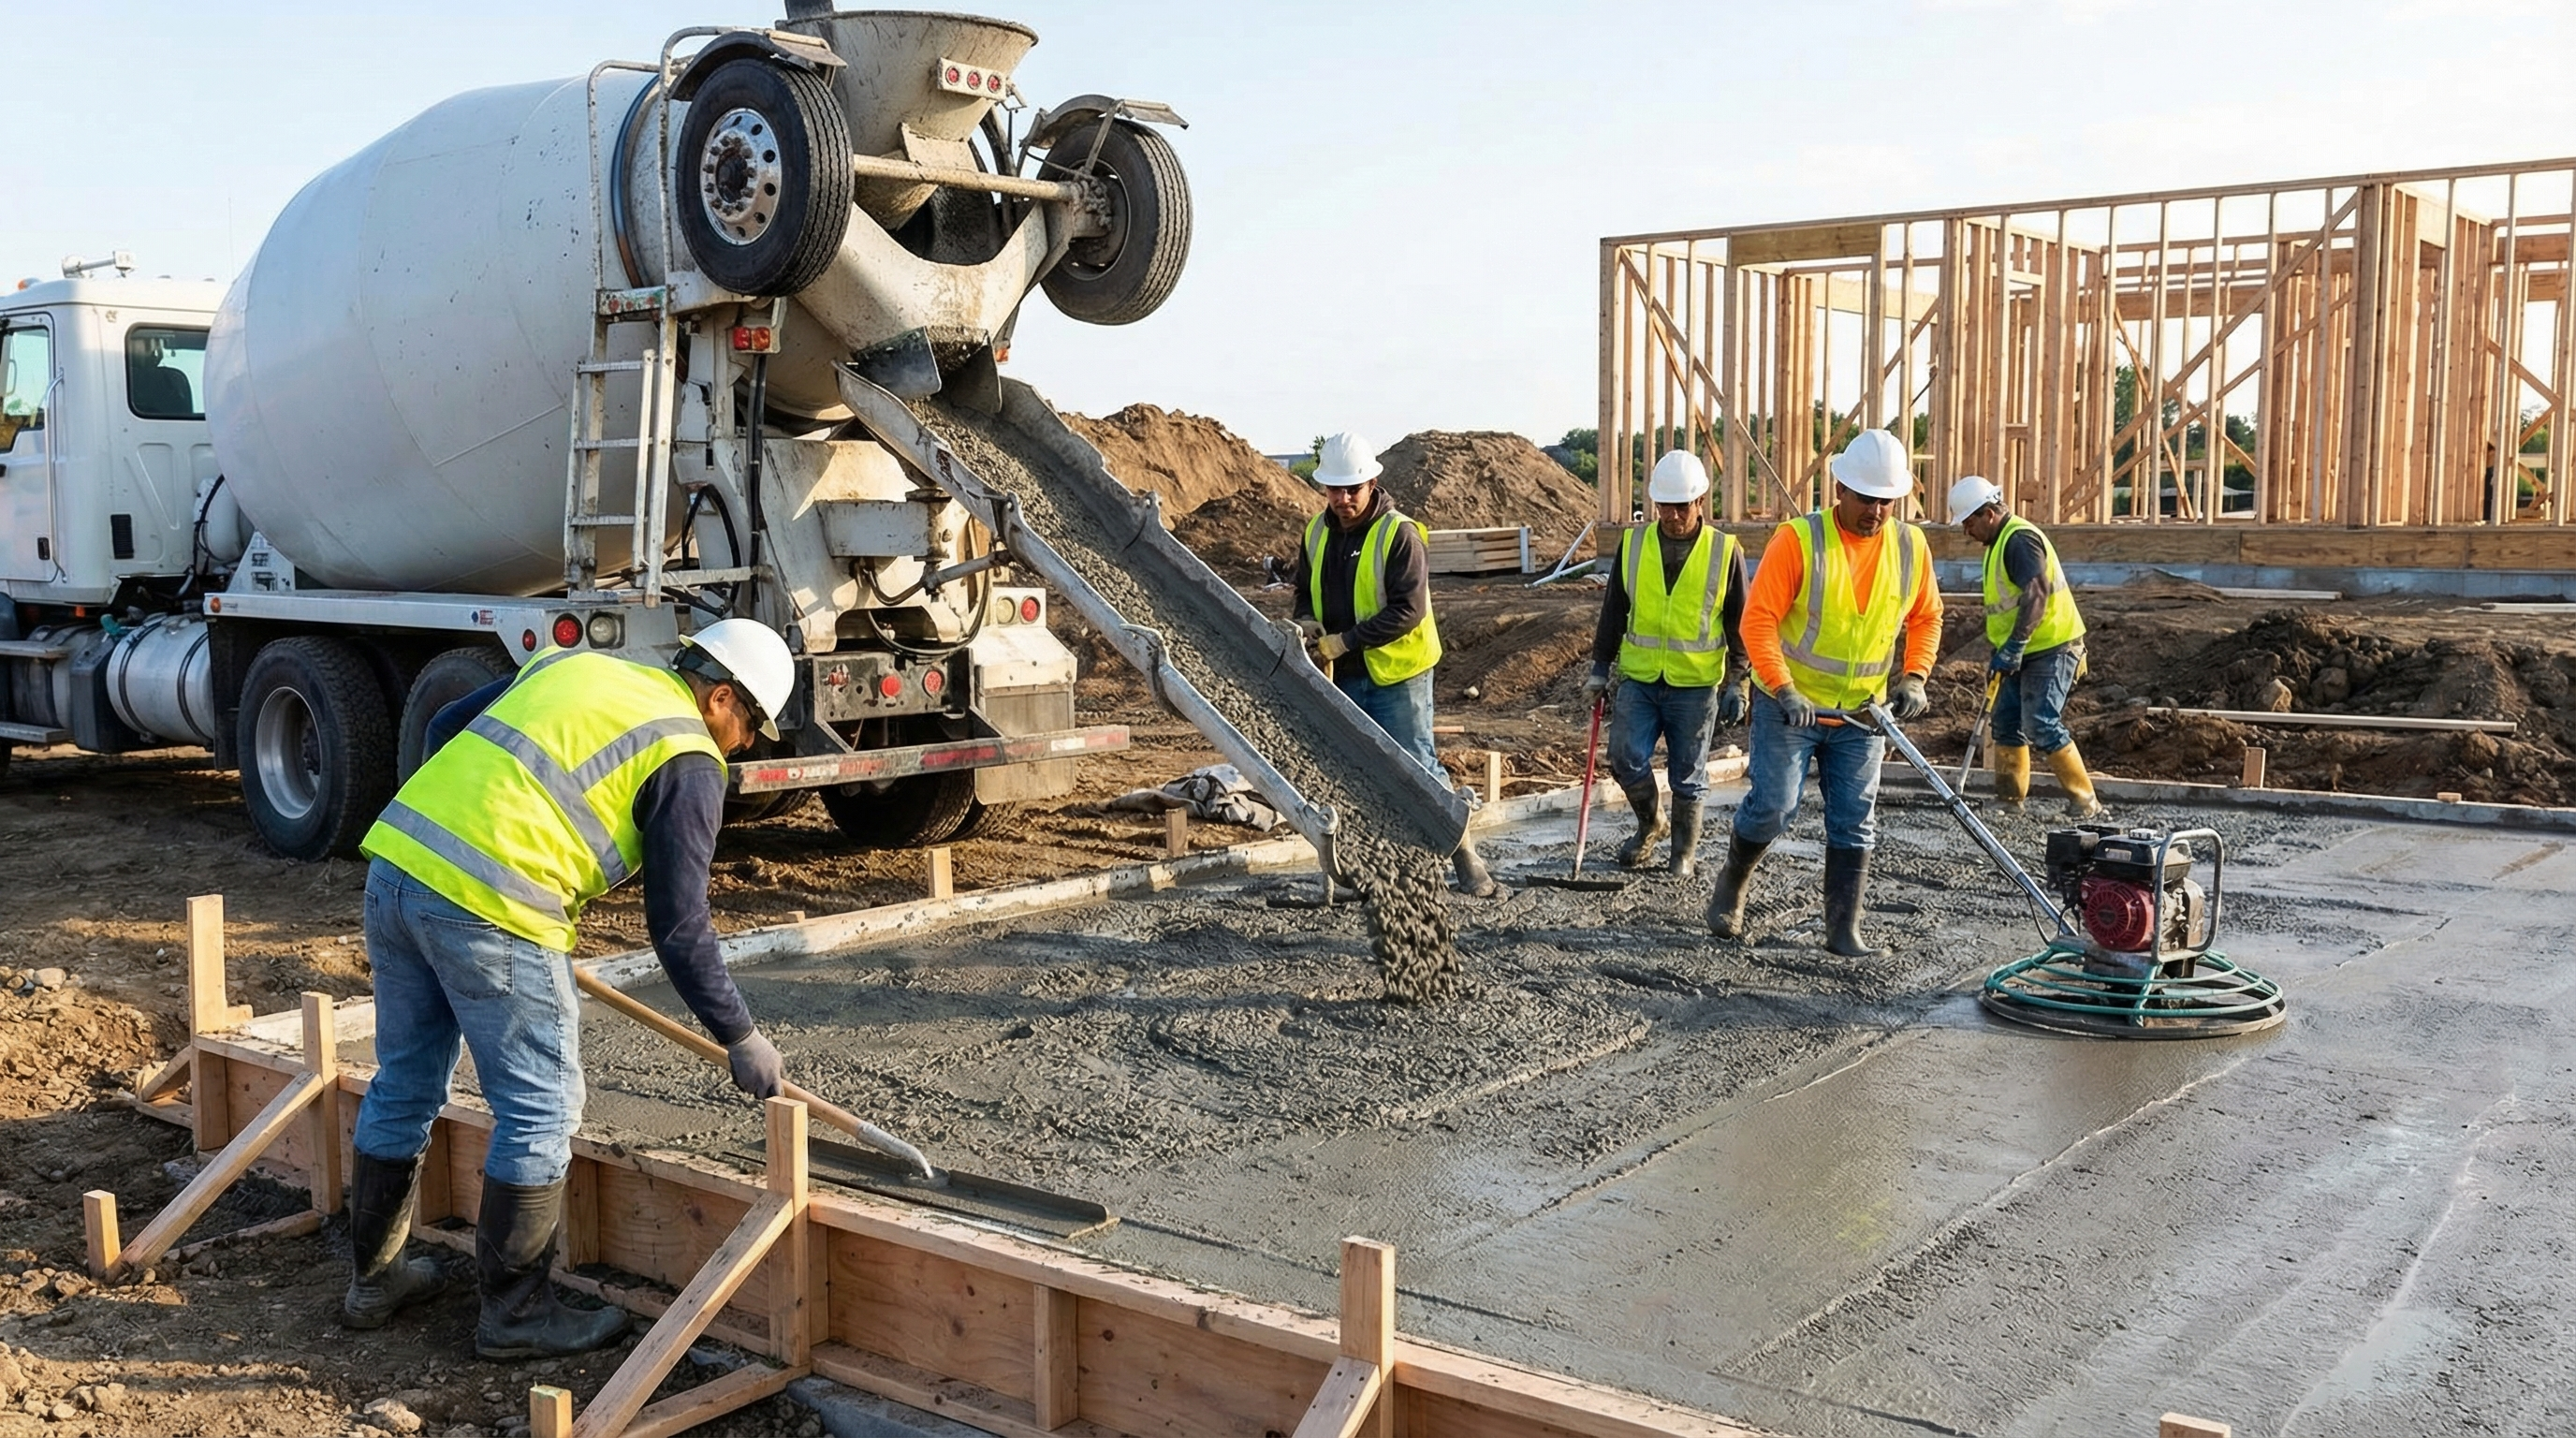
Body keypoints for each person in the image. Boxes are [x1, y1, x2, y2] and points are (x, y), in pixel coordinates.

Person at [340, 619, 798, 1359]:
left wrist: (460, 830)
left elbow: (447, 722)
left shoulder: (576, 667)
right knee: (541, 1108)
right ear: (720, 698)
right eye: (750, 727)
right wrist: (739, 1036)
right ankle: (516, 1316)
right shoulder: (688, 755)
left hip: (398, 868)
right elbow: (680, 926)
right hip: (495, 907)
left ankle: (373, 1283)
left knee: (405, 1082)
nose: (743, 746)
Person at [1707, 429, 1941, 957]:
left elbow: (1926, 617)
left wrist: (1915, 675)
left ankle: (1842, 931)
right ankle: (1733, 881)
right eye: (1866, 498)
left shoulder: (1910, 546)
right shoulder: (1797, 540)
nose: (1876, 511)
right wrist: (1784, 687)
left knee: (1855, 818)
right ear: (1839, 489)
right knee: (1774, 805)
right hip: (1791, 705)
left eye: (1886, 500)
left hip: (1862, 715)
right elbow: (1759, 621)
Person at [1293, 431, 1500, 898]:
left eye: (1353, 489)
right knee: (1355, 773)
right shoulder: (1315, 531)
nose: (1343, 499)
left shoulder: (1399, 533)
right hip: (1341, 675)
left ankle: (1465, 855)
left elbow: (1408, 610)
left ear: (1372, 483)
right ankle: (1370, 868)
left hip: (1398, 673)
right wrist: (1306, 625)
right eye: (1334, 490)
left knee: (1417, 767)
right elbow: (1304, 594)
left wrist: (1345, 642)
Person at [1582, 450, 1749, 878]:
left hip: (1695, 685)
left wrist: (1739, 681)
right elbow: (1614, 610)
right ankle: (1649, 823)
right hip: (1640, 678)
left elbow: (1739, 622)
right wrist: (1600, 666)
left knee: (1688, 776)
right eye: (1665, 506)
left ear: (1700, 503)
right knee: (1624, 756)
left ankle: (1682, 855)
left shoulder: (1724, 551)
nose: (1673, 516)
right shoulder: (1634, 545)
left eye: (1682, 506)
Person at [1948, 476, 2101, 819]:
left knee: (2040, 722)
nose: (1966, 532)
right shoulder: (1998, 543)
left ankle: (2085, 800)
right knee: (2005, 722)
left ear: (1988, 513)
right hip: (2020, 650)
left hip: (2051, 647)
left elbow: (2037, 591)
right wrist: (2004, 649)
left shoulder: (2018, 540)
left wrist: (2015, 645)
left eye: (1969, 522)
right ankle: (2010, 800)